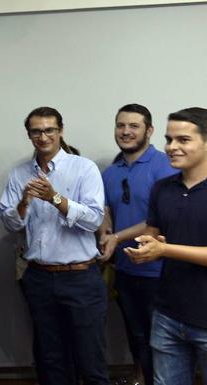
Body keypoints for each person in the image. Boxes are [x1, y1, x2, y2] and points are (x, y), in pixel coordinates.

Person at [0, 107, 109, 385]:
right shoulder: (19, 173)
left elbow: (95, 220)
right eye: (36, 131)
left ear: (60, 131)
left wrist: (55, 198)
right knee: (50, 360)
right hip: (39, 277)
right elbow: (11, 224)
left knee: (90, 359)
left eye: (49, 130)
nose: (43, 136)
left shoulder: (83, 168)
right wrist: (24, 202)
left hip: (81, 277)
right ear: (29, 135)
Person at [124, 107, 207, 385]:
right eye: (169, 139)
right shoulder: (163, 188)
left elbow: (166, 247)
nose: (172, 147)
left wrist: (165, 249)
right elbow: (153, 235)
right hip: (168, 314)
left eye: (183, 140)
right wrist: (146, 248)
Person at [97, 104, 176, 385]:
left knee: (164, 341)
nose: (126, 132)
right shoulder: (110, 172)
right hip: (126, 270)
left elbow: (159, 220)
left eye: (134, 126)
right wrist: (106, 232)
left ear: (149, 131)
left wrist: (117, 237)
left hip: (161, 271)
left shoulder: (165, 166)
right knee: (137, 335)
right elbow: (106, 210)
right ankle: (141, 378)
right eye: (121, 126)